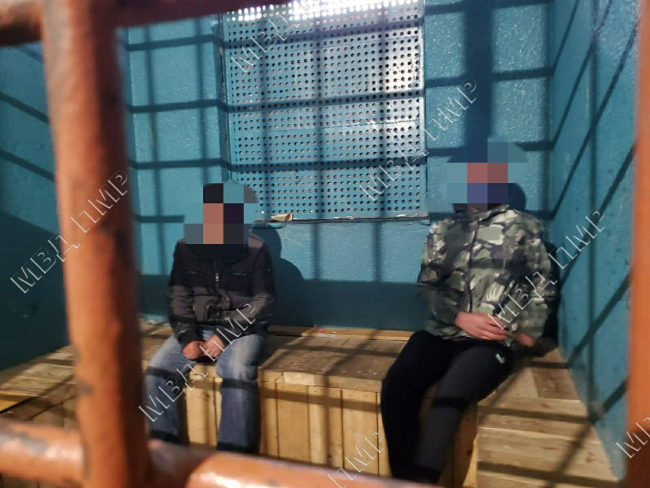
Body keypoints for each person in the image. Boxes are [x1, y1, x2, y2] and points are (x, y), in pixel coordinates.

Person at [380, 139, 556, 483]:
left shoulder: (524, 227)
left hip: (492, 341)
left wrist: (528, 333)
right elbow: (426, 287)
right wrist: (459, 317)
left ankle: (422, 480)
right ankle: (406, 480)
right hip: (442, 333)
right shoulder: (442, 231)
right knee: (397, 386)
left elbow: (542, 284)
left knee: (450, 397)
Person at [143, 182, 275, 453]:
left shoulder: (256, 248)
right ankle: (165, 454)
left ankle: (232, 458)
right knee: (157, 370)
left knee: (237, 372)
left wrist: (224, 335)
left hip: (242, 330)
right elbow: (178, 296)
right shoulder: (185, 247)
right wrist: (187, 336)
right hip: (196, 326)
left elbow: (263, 300)